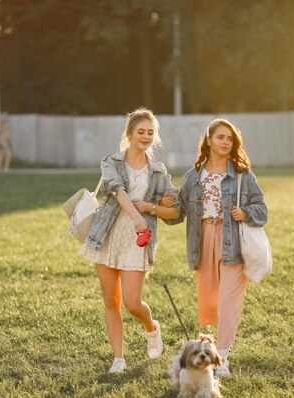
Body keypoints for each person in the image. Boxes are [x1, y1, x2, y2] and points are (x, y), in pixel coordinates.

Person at [164, 118, 268, 378]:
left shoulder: (243, 175)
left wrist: (245, 212)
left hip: (232, 241)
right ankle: (211, 349)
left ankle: (223, 357)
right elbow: (179, 213)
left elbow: (262, 210)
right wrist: (161, 206)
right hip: (204, 240)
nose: (225, 142)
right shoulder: (193, 177)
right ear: (208, 140)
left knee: (227, 302)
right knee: (210, 300)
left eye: (229, 139)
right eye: (220, 137)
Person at [80, 107, 180, 374]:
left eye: (150, 132)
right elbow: (118, 191)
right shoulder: (111, 161)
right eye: (141, 132)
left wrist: (152, 208)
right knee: (111, 300)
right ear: (129, 134)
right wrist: (137, 217)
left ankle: (151, 327)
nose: (145, 136)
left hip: (138, 240)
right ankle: (119, 358)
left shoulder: (158, 171)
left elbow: (175, 211)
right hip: (108, 233)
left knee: (132, 302)